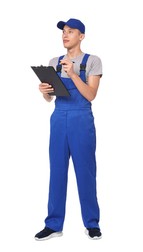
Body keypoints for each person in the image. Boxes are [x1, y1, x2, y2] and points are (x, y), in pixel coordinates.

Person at [35, 18, 103, 240]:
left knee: (85, 171)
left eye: (70, 31)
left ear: (81, 36)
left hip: (81, 119)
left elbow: (91, 94)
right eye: (63, 32)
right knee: (57, 171)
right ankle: (54, 224)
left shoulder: (93, 61)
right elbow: (49, 99)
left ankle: (92, 224)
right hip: (58, 119)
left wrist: (73, 74)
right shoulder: (54, 62)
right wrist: (44, 90)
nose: (65, 35)